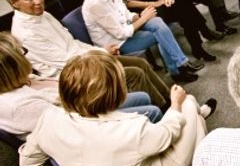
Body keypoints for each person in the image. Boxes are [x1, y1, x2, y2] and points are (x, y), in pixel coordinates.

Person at [19, 50, 217, 166]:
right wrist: (175, 104)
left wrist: (66, 161)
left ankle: (200, 119)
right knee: (189, 103)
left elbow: (28, 163)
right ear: (116, 92)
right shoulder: (130, 128)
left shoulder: (48, 119)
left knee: (192, 118)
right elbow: (167, 135)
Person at [1, 0, 172, 108]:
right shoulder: (25, 33)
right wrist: (103, 53)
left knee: (139, 62)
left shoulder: (43, 15)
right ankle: (163, 111)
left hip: (84, 60)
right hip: (71, 75)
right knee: (134, 73)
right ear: (14, 3)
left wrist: (101, 51)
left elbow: (73, 44)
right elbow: (66, 60)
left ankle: (169, 100)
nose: (38, 1)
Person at [0, 33, 164, 139]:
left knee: (143, 96)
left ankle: (161, 127)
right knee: (152, 111)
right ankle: (163, 141)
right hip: (86, 126)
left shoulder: (25, 79)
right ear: (12, 66)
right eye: (22, 52)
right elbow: (73, 125)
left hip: (82, 107)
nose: (26, 54)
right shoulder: (19, 105)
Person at [82, 0, 203, 83]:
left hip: (127, 28)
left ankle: (179, 65)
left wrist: (137, 16)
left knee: (157, 21)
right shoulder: (95, 4)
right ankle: (178, 68)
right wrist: (143, 18)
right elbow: (121, 34)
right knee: (160, 34)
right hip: (117, 44)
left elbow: (125, 14)